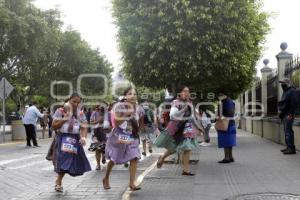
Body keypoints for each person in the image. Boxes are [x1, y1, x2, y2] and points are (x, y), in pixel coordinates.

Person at [103, 87, 144, 191]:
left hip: (132, 136)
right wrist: (127, 113)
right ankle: (106, 178)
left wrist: (138, 132)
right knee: (114, 158)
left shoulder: (139, 108)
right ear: (125, 96)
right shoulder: (119, 106)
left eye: (135, 94)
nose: (133, 96)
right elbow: (116, 123)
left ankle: (131, 183)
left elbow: (142, 123)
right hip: (119, 135)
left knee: (134, 157)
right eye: (130, 94)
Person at [155, 86, 199, 176]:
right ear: (180, 93)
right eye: (185, 91)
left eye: (188, 91)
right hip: (176, 128)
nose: (187, 93)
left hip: (187, 129)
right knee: (173, 148)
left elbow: (192, 117)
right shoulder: (176, 102)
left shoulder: (190, 103)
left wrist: (199, 127)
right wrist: (183, 109)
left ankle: (185, 170)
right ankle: (162, 157)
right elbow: (172, 116)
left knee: (187, 148)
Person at [51, 92, 91, 192]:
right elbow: (54, 125)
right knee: (64, 160)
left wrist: (83, 137)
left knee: (73, 162)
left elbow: (84, 126)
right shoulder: (60, 111)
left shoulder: (80, 113)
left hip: (75, 139)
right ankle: (58, 182)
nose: (76, 104)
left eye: (78, 102)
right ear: (69, 100)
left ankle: (58, 180)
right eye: (74, 101)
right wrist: (66, 118)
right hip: (63, 138)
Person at [278, 78, 298, 155]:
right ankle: (288, 147)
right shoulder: (286, 91)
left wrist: (291, 114)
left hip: (289, 114)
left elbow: (294, 103)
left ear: (287, 83)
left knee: (288, 132)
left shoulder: (292, 91)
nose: (281, 84)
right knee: (286, 131)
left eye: (283, 83)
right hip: (284, 114)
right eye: (281, 83)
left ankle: (291, 149)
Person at [216, 93, 236, 163]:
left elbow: (220, 115)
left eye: (219, 95)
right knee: (230, 141)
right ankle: (231, 156)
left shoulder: (222, 102)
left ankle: (226, 157)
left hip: (225, 124)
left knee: (225, 140)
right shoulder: (232, 102)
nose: (218, 96)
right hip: (232, 123)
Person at [89, 105, 108, 170]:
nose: (100, 111)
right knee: (97, 149)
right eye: (99, 109)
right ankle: (98, 164)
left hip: (105, 133)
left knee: (104, 147)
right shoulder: (94, 113)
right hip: (96, 132)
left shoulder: (108, 114)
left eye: (102, 109)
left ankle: (104, 156)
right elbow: (91, 122)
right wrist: (97, 121)